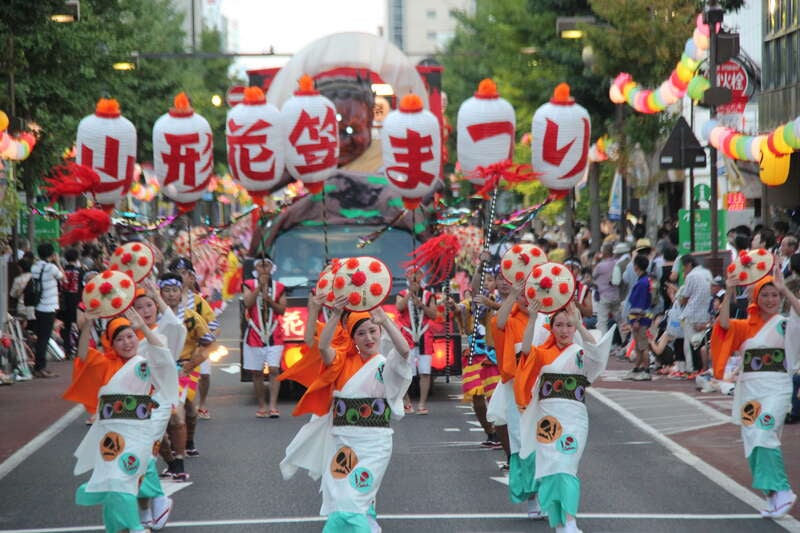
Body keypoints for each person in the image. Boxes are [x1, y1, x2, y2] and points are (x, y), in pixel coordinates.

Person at [280, 295, 411, 532]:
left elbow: (404, 352)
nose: (368, 337)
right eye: (361, 334)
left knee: (354, 499)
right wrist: (335, 315)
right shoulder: (341, 361)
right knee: (340, 499)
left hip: (374, 445)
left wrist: (386, 321)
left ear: (379, 332)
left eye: (373, 331)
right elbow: (321, 346)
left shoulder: (385, 365)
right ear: (353, 339)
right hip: (342, 443)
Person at [65, 307, 177, 533]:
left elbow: (163, 354)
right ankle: (116, 528)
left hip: (139, 434)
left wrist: (143, 327)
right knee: (111, 481)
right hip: (110, 436)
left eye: (130, 337)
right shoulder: (104, 363)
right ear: (111, 343)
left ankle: (135, 526)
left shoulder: (144, 362)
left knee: (122, 480)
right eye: (119, 339)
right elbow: (83, 356)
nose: (127, 343)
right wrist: (87, 325)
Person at [515, 302, 614, 533]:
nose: (564, 330)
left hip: (574, 417)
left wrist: (580, 324)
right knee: (550, 468)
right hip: (547, 418)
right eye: (559, 325)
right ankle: (558, 523)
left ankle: (570, 521)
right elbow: (526, 350)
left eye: (569, 325)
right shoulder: (543, 353)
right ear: (551, 328)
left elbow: (598, 355)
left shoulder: (580, 353)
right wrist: (531, 319)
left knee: (567, 466)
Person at [711, 267, 798, 518]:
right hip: (749, 392)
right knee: (751, 442)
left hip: (776, 389)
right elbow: (724, 324)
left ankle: (783, 490)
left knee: (764, 432)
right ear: (755, 299)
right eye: (765, 295)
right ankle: (770, 494)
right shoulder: (744, 326)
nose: (771, 300)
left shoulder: (784, 324)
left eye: (775, 295)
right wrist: (729, 289)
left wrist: (785, 291)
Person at [157, 272, 217, 480]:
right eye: (166, 291)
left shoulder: (191, 317)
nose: (171, 295)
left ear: (181, 292)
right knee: (159, 419)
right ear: (160, 293)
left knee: (180, 412)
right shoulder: (152, 315)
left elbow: (209, 344)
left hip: (183, 370)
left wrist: (191, 365)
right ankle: (172, 457)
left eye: (175, 290)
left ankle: (183, 449)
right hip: (157, 373)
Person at [169, 257, 218, 423]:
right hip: (174, 352)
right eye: (176, 273)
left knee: (204, 375)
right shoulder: (165, 301)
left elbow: (213, 324)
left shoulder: (198, 301)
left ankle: (202, 404)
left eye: (183, 273)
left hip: (197, 349)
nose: (180, 277)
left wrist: (203, 340)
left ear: (190, 276)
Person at [242, 256, 287, 418]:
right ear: (256, 268)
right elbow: (247, 303)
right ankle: (262, 406)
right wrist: (259, 288)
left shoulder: (279, 287)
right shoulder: (248, 284)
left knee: (274, 369)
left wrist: (269, 300)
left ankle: (273, 406)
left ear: (271, 268)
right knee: (257, 373)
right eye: (261, 265)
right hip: (255, 334)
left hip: (274, 333)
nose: (264, 268)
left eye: (267, 265)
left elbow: (282, 310)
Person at [396, 267, 438, 415]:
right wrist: (410, 294)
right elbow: (399, 307)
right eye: (411, 276)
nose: (414, 278)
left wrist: (421, 305)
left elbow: (433, 315)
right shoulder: (402, 294)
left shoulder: (429, 295)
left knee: (425, 372)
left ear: (421, 277)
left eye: (417, 275)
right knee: (405, 372)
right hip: (407, 336)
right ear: (407, 278)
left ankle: (422, 404)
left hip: (424, 336)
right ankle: (407, 401)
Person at [30, 242, 65, 378]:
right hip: (49, 306)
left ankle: (39, 366)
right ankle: (40, 368)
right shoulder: (51, 267)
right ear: (51, 254)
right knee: (44, 338)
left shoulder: (35, 266)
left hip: (38, 306)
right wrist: (57, 262)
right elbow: (63, 278)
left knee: (41, 337)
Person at [678, 254, 712, 376]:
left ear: (689, 265)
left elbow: (686, 296)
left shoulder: (691, 276)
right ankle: (700, 367)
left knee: (689, 342)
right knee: (700, 341)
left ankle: (691, 368)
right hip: (705, 313)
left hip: (691, 312)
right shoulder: (706, 273)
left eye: (684, 267)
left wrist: (679, 301)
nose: (683, 270)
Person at [624, 255, 654, 381]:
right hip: (643, 317)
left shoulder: (642, 283)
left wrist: (636, 320)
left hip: (640, 319)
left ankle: (646, 370)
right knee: (639, 345)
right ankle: (637, 368)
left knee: (643, 346)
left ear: (636, 266)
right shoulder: (646, 280)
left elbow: (639, 303)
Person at [60, 247, 85, 359]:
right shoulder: (80, 271)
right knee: (81, 326)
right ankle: (80, 349)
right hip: (77, 301)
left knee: (66, 327)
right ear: (77, 258)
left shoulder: (62, 271)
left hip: (64, 302)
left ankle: (67, 350)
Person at [592, 243, 620, 336]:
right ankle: (625, 342)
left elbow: (593, 275)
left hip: (604, 296)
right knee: (620, 320)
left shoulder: (600, 266)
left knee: (602, 322)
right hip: (616, 295)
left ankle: (602, 344)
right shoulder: (617, 263)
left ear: (603, 253)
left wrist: (595, 261)